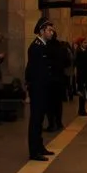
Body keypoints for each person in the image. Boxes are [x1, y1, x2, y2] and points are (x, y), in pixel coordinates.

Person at [24, 17, 57, 161]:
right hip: (38, 89)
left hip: (43, 89)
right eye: (49, 30)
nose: (52, 33)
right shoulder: (36, 47)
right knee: (36, 120)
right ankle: (34, 151)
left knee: (40, 119)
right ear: (42, 31)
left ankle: (40, 146)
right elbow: (33, 71)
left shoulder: (43, 46)